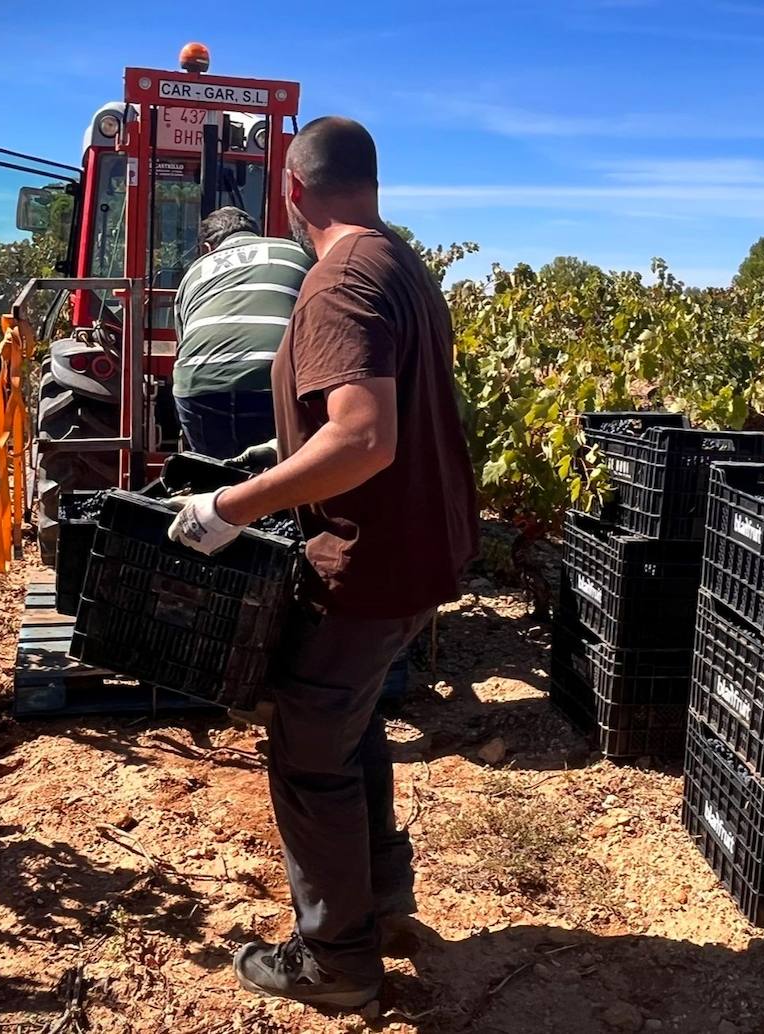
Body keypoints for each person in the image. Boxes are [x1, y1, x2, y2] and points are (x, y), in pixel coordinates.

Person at [167, 116, 479, 1008]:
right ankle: (380, 901)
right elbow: (374, 417)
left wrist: (226, 507)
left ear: (292, 192)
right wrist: (282, 453)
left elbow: (364, 436)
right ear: (370, 186)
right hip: (421, 551)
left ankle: (337, 961)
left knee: (307, 745)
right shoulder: (400, 262)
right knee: (349, 724)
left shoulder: (339, 277)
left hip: (370, 562)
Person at [171, 206, 312, 459]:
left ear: (207, 248)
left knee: (214, 476)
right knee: (280, 479)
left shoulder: (195, 272)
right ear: (256, 234)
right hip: (271, 380)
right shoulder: (294, 252)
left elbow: (182, 341)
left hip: (199, 383)